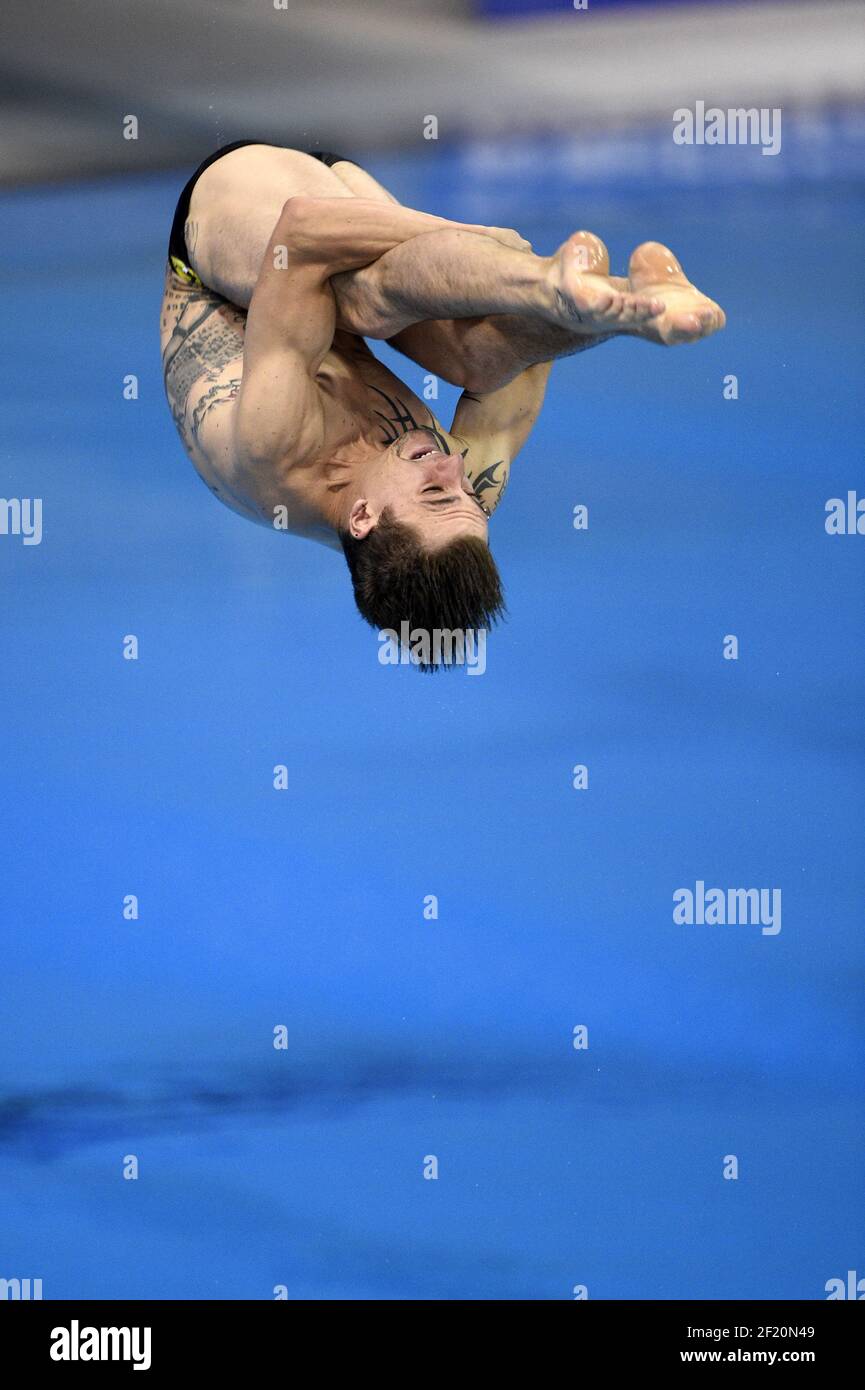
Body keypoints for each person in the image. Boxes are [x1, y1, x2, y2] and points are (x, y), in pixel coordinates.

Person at [160, 143, 725, 667]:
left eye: (434, 490)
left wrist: (480, 241)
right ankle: (637, 305)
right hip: (336, 240)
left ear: (362, 518)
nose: (452, 468)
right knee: (479, 358)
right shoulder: (455, 497)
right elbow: (522, 354)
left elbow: (303, 233)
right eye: (466, 495)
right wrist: (612, 318)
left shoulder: (273, 446)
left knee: (362, 300)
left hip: (237, 219)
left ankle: (543, 277)